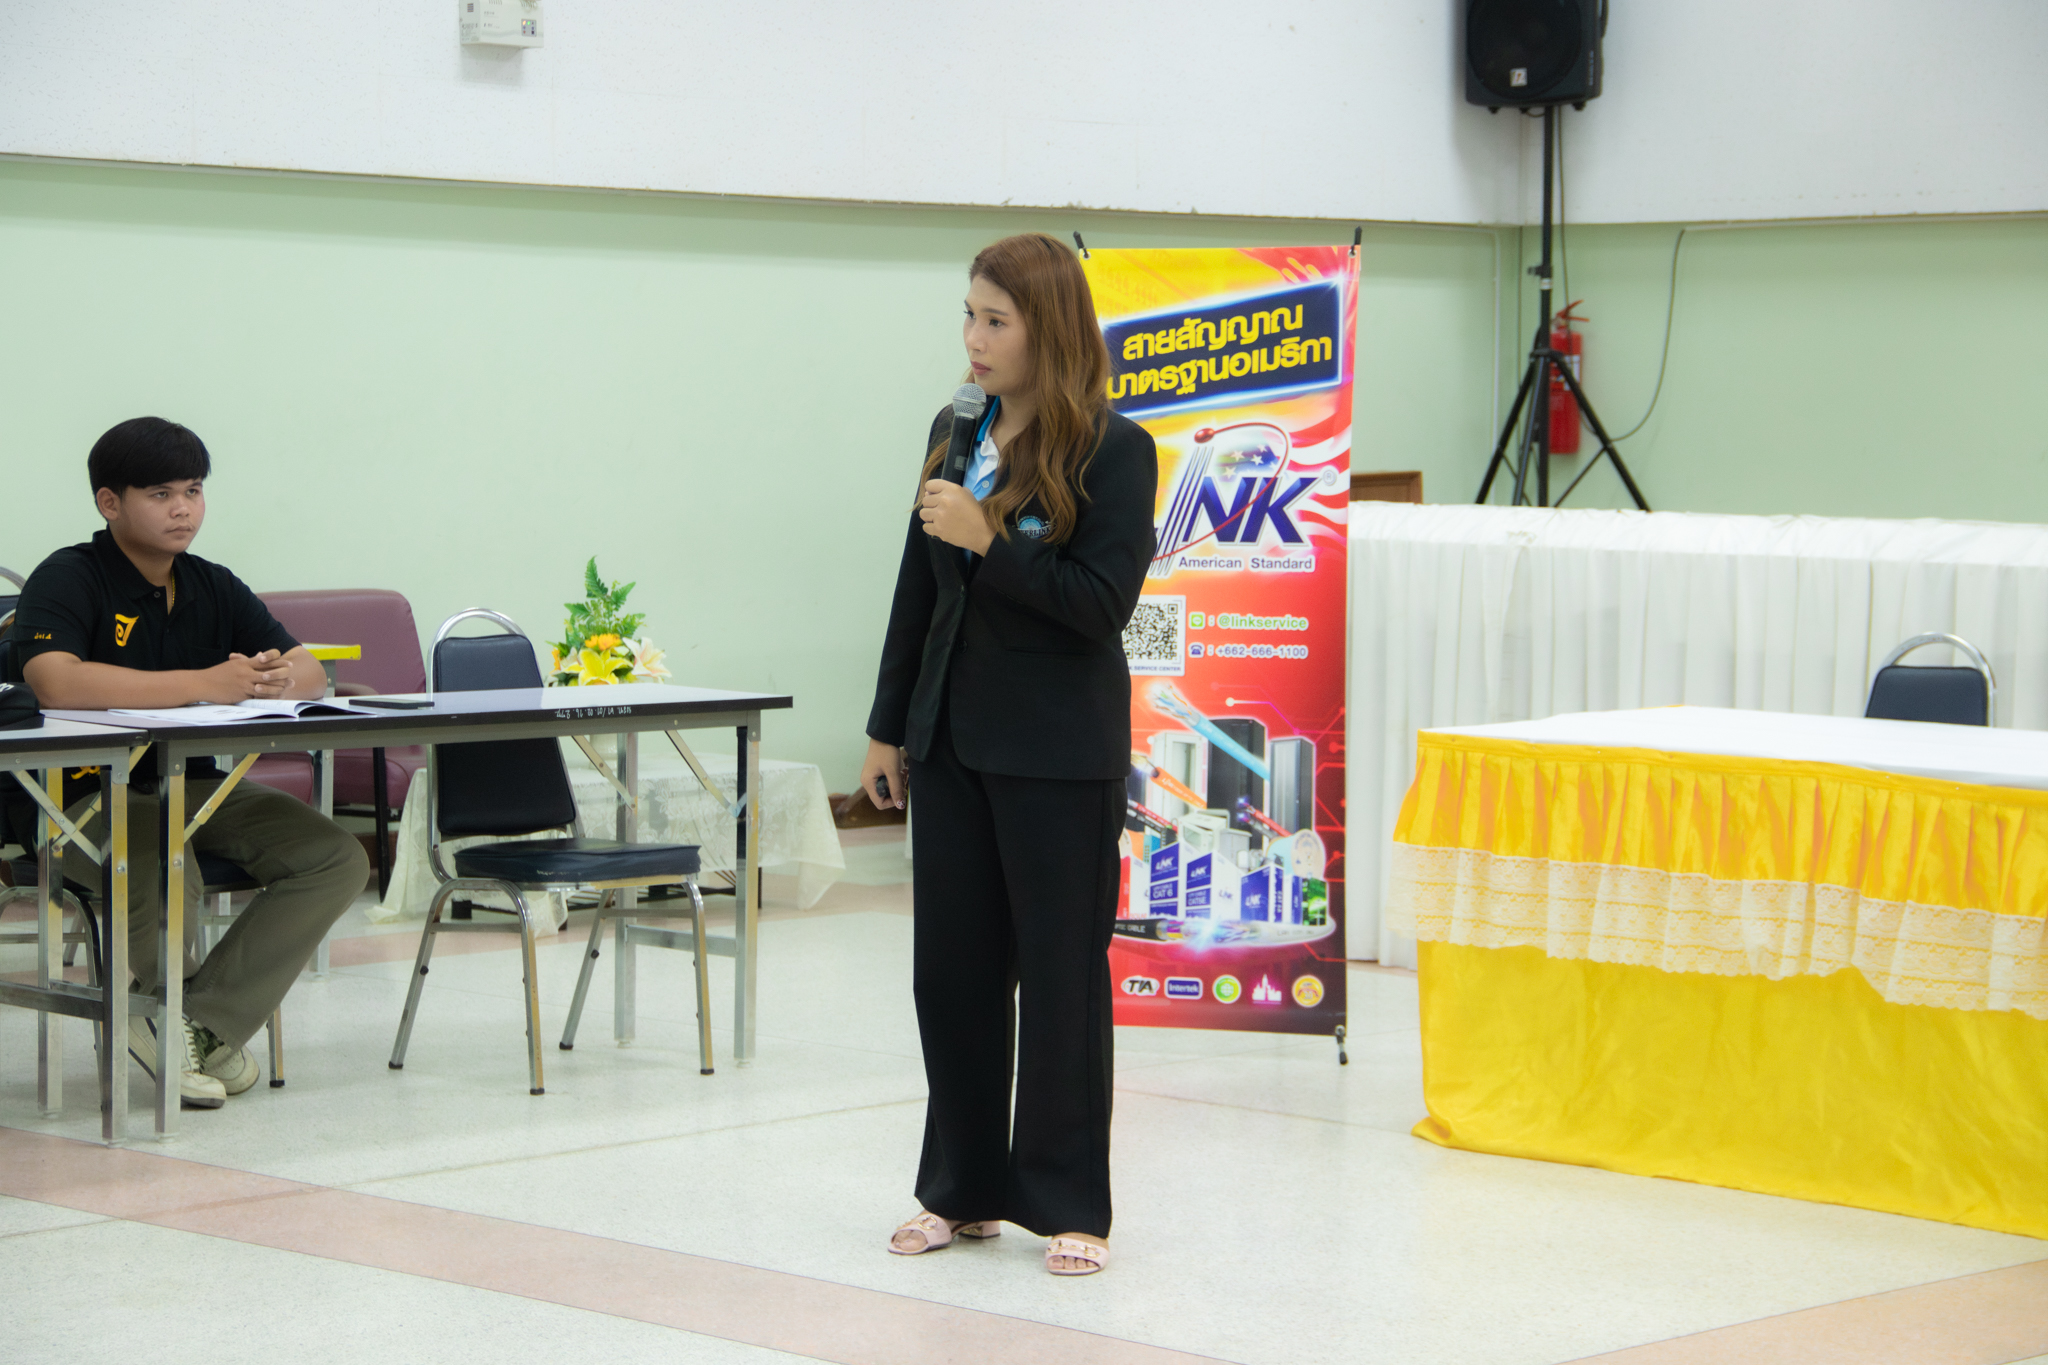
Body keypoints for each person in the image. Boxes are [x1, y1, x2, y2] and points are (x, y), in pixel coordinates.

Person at [861, 233, 1157, 1277]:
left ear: (1049, 330)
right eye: (969, 315)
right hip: (950, 742)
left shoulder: (1113, 450)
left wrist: (991, 539)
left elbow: (1098, 604)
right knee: (952, 975)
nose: (974, 339)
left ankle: (1070, 1202)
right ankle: (960, 1189)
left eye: (996, 320)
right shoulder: (955, 429)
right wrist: (888, 724)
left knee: (1062, 980)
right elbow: (916, 586)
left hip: (1057, 753)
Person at [11, 417, 369, 1107]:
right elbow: (55, 680)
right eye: (161, 494)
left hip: (195, 785)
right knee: (155, 845)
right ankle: (162, 1010)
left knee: (333, 857)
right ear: (110, 502)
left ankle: (195, 1022)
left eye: (194, 490)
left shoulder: (211, 583)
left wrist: (272, 680)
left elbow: (306, 671)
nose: (183, 509)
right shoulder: (69, 576)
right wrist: (204, 682)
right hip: (77, 798)